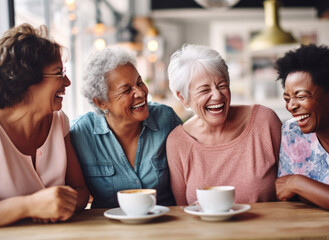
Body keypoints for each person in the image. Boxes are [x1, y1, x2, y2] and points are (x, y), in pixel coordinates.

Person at [166, 44, 282, 205]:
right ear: (183, 97)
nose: (217, 95)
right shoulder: (178, 142)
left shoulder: (264, 121)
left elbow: (292, 192)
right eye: (205, 90)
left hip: (267, 229)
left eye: (222, 85)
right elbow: (183, 211)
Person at [70, 46, 182, 208]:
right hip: (107, 228)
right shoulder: (80, 133)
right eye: (126, 90)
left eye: (139, 82)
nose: (140, 93)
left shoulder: (167, 119)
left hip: (164, 223)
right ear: (101, 102)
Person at [0, 23, 89, 226]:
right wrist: (30, 206)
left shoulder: (59, 121)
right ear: (25, 80)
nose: (67, 82)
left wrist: (61, 205)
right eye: (59, 73)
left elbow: (81, 191)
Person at [275, 44, 329, 212]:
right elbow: (284, 193)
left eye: (301, 96)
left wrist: (298, 183)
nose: (291, 106)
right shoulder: (292, 132)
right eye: (287, 98)